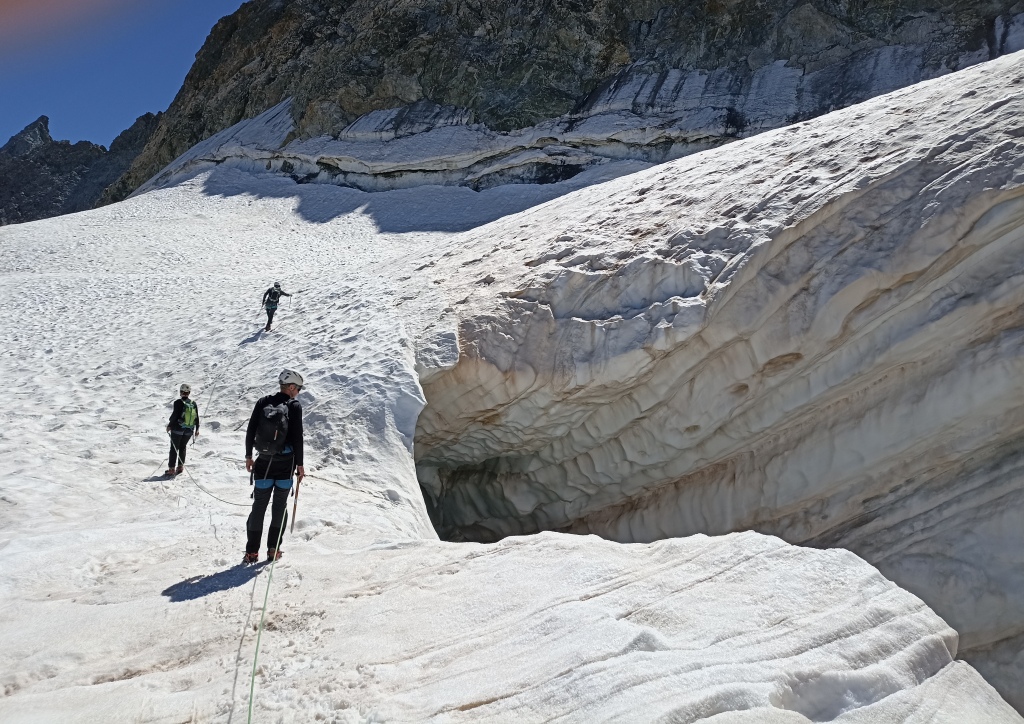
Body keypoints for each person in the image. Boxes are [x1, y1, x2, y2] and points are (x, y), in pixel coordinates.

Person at [243, 369, 305, 563]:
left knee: (258, 507)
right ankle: (273, 550)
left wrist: (248, 456)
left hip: (263, 463)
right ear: (292, 387)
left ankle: (252, 552)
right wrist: (300, 465)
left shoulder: (263, 402)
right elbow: (297, 438)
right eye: (298, 389)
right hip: (285, 466)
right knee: (279, 508)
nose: (298, 392)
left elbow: (251, 429)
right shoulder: (294, 406)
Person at [165, 383, 199, 476]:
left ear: (181, 392)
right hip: (189, 430)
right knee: (182, 447)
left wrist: (169, 425)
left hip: (177, 429)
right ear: (189, 393)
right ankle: (180, 467)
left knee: (174, 448)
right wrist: (197, 430)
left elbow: (175, 416)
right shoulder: (193, 403)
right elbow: (197, 417)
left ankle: (171, 469)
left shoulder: (177, 403)